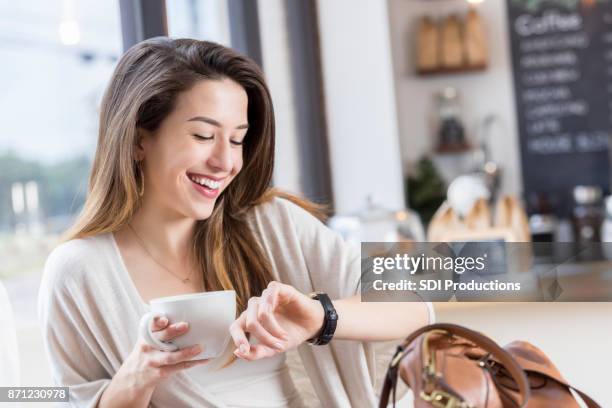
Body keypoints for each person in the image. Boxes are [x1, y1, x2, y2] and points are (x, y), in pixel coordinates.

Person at [38, 37, 433, 408]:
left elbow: (415, 301)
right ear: (140, 139)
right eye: (203, 135)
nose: (225, 162)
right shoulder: (78, 271)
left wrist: (319, 316)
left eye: (237, 139)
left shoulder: (270, 224)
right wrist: (133, 381)